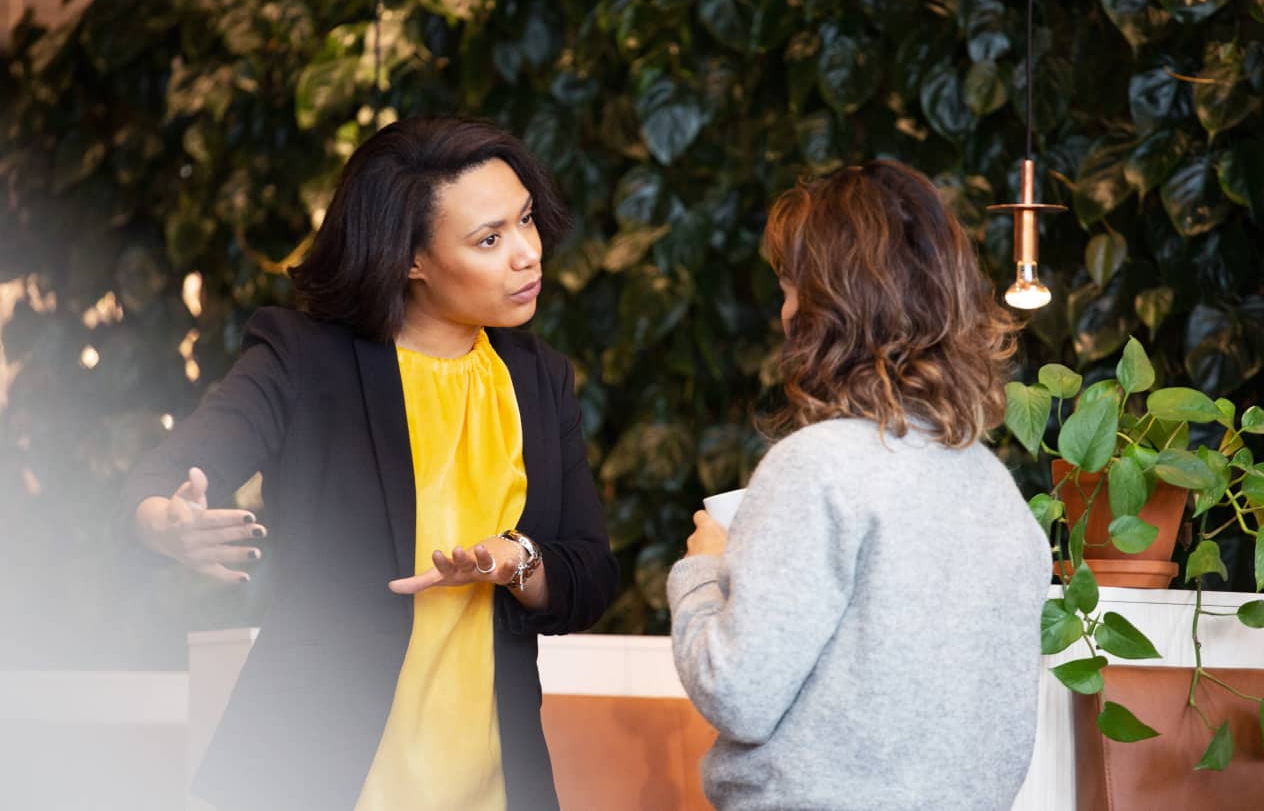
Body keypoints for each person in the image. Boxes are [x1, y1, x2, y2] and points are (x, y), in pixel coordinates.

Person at [123, 117, 618, 811]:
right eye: (489, 239)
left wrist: (520, 562)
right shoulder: (303, 359)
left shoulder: (538, 379)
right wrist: (166, 524)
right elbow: (161, 479)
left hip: (493, 785)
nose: (528, 254)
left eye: (526, 221)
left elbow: (590, 574)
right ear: (410, 258)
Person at [668, 161, 1050, 810]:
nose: (784, 312)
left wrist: (701, 574)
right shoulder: (994, 488)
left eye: (791, 289)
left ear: (827, 308)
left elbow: (738, 694)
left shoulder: (816, 467)